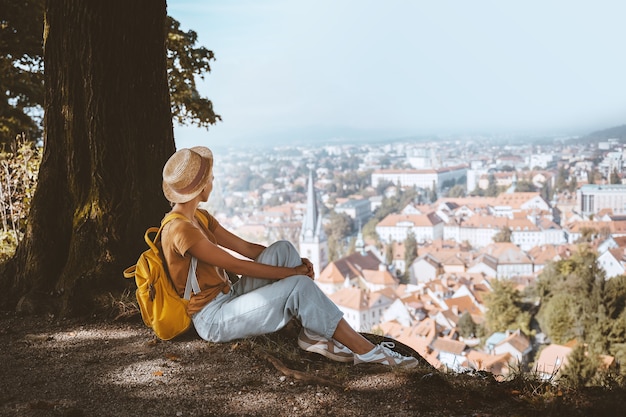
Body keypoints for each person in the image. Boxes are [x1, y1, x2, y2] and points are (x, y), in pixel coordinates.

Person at [160, 146, 418, 368]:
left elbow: (247, 249)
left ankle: (313, 335)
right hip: (212, 318)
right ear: (200, 186)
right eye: (210, 177)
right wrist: (293, 275)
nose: (213, 180)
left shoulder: (199, 218)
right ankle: (369, 353)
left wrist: (296, 265)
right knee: (298, 286)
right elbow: (237, 265)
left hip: (227, 296)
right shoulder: (181, 229)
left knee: (282, 248)